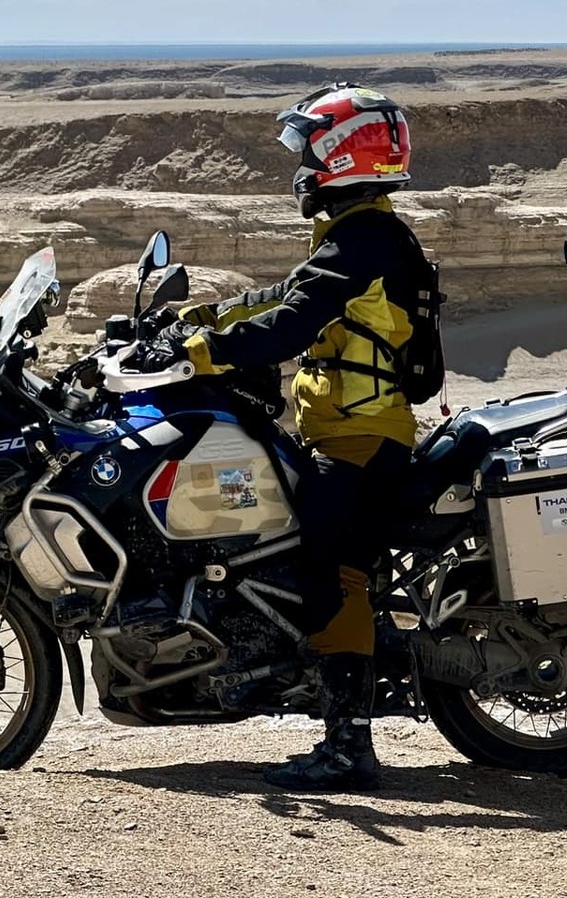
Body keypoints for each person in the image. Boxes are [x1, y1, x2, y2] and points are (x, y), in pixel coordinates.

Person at [165, 83, 430, 792]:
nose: (300, 164)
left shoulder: (365, 239)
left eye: (309, 147)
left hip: (361, 439)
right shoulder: (354, 234)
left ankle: (349, 746)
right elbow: (286, 296)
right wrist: (204, 318)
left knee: (328, 570)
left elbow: (290, 325)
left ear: (344, 154)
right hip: (341, 430)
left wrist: (201, 355)